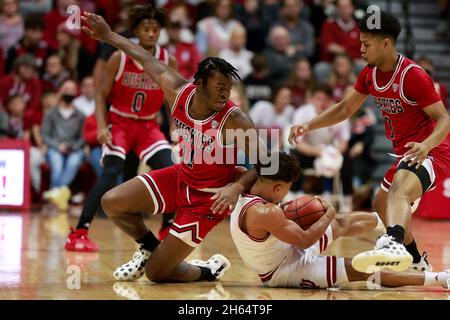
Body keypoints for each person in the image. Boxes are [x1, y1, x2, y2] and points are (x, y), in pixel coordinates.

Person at [81, 12, 264, 283]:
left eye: (228, 88)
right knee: (112, 202)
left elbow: (270, 163)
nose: (225, 94)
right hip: (180, 178)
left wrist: (237, 186)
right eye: (219, 87)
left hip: (207, 200)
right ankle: (149, 248)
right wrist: (108, 35)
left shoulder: (234, 119)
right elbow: (144, 57)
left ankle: (207, 270)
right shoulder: (177, 89)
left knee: (156, 274)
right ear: (199, 85)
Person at [289, 10, 450, 273]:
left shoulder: (412, 75)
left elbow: (444, 120)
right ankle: (417, 261)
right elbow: (344, 109)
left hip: (432, 150)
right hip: (406, 152)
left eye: (366, 44)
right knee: (381, 205)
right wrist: (309, 125)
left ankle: (393, 243)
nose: (360, 48)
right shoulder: (369, 74)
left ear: (386, 44)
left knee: (399, 191)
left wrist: (426, 146)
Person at [228, 151, 450, 289]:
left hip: (283, 247)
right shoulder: (265, 212)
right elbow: (304, 241)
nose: (286, 195)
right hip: (283, 270)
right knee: (364, 268)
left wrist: (331, 220)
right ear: (276, 186)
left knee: (342, 224)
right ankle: (439, 278)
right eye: (285, 190)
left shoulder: (247, 184)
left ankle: (391, 220)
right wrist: (328, 214)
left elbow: (254, 168)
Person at [65, 5, 177, 253]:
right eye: (146, 29)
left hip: (148, 125)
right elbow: (100, 95)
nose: (151, 34)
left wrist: (174, 127)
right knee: (110, 173)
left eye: (156, 29)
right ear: (136, 31)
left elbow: (173, 99)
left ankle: (167, 227)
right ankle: (79, 231)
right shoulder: (120, 56)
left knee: (171, 170)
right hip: (121, 123)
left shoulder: (168, 59)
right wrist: (103, 126)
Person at [41, 79, 85, 211]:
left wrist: (73, 147)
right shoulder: (51, 113)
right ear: (60, 91)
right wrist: (58, 146)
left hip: (74, 149)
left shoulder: (80, 115)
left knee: (74, 161)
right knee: (56, 160)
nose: (69, 92)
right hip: (55, 148)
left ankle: (54, 193)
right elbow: (45, 135)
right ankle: (60, 193)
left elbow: (83, 138)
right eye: (66, 89)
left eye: (72, 90)